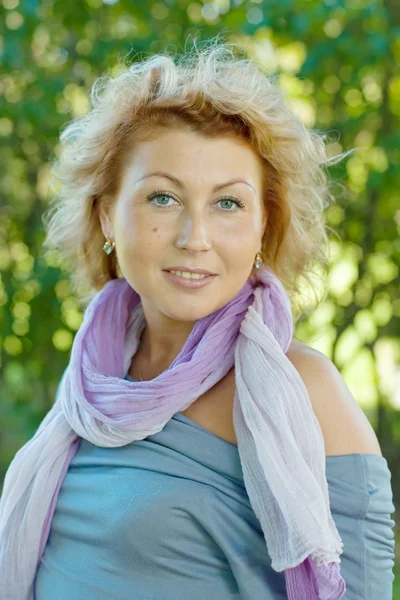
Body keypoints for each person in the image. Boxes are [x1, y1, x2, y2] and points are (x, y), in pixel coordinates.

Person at [0, 37, 395, 600]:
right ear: (108, 215)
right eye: (163, 198)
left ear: (264, 227)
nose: (195, 238)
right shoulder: (92, 380)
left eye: (228, 203)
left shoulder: (305, 391)